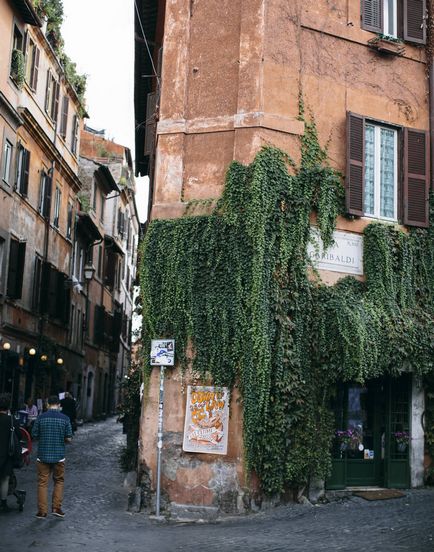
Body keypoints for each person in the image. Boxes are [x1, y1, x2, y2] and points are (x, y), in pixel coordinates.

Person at [32, 395, 72, 519]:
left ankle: (42, 512)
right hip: (59, 456)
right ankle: (56, 508)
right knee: (59, 481)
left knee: (42, 483)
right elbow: (69, 438)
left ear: (48, 404)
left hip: (43, 455)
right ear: (59, 405)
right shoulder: (65, 418)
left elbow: (34, 435)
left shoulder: (41, 417)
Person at [0, 393, 21, 513]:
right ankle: (3, 504)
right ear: (8, 407)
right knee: (4, 479)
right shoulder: (12, 420)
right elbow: (18, 435)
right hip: (7, 454)